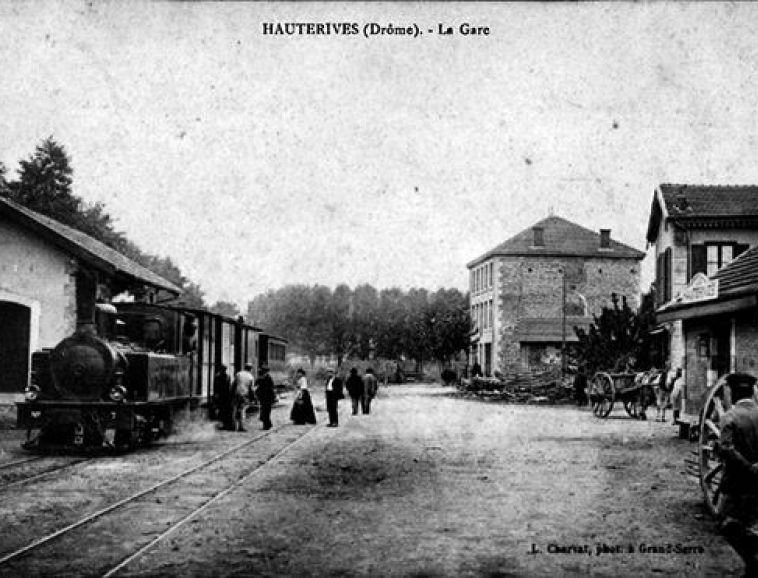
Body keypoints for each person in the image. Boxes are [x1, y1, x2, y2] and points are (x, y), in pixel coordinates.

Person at [717, 372, 758, 576]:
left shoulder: (729, 416)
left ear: (732, 393)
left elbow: (726, 449)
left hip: (735, 481)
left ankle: (751, 560)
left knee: (724, 521)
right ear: (752, 392)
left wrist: (749, 467)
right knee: (751, 519)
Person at [231, 363, 254, 432]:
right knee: (242, 410)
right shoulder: (250, 377)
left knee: (234, 409)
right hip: (244, 395)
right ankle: (241, 426)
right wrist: (253, 398)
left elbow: (234, 384)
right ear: (250, 369)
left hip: (236, 394)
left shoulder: (238, 374)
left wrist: (232, 394)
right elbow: (251, 389)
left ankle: (234, 426)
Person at [255, 364, 276, 430]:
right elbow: (256, 385)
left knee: (266, 411)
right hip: (263, 397)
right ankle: (268, 424)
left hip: (268, 397)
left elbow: (271, 388)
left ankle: (267, 425)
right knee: (264, 411)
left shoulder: (268, 378)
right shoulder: (262, 378)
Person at [213, 364, 233, 430]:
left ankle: (225, 424)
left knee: (224, 410)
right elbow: (216, 387)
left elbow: (229, 386)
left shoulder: (226, 377)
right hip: (222, 396)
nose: (224, 371)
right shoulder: (220, 377)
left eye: (224, 370)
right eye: (223, 370)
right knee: (222, 410)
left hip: (224, 396)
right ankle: (223, 424)